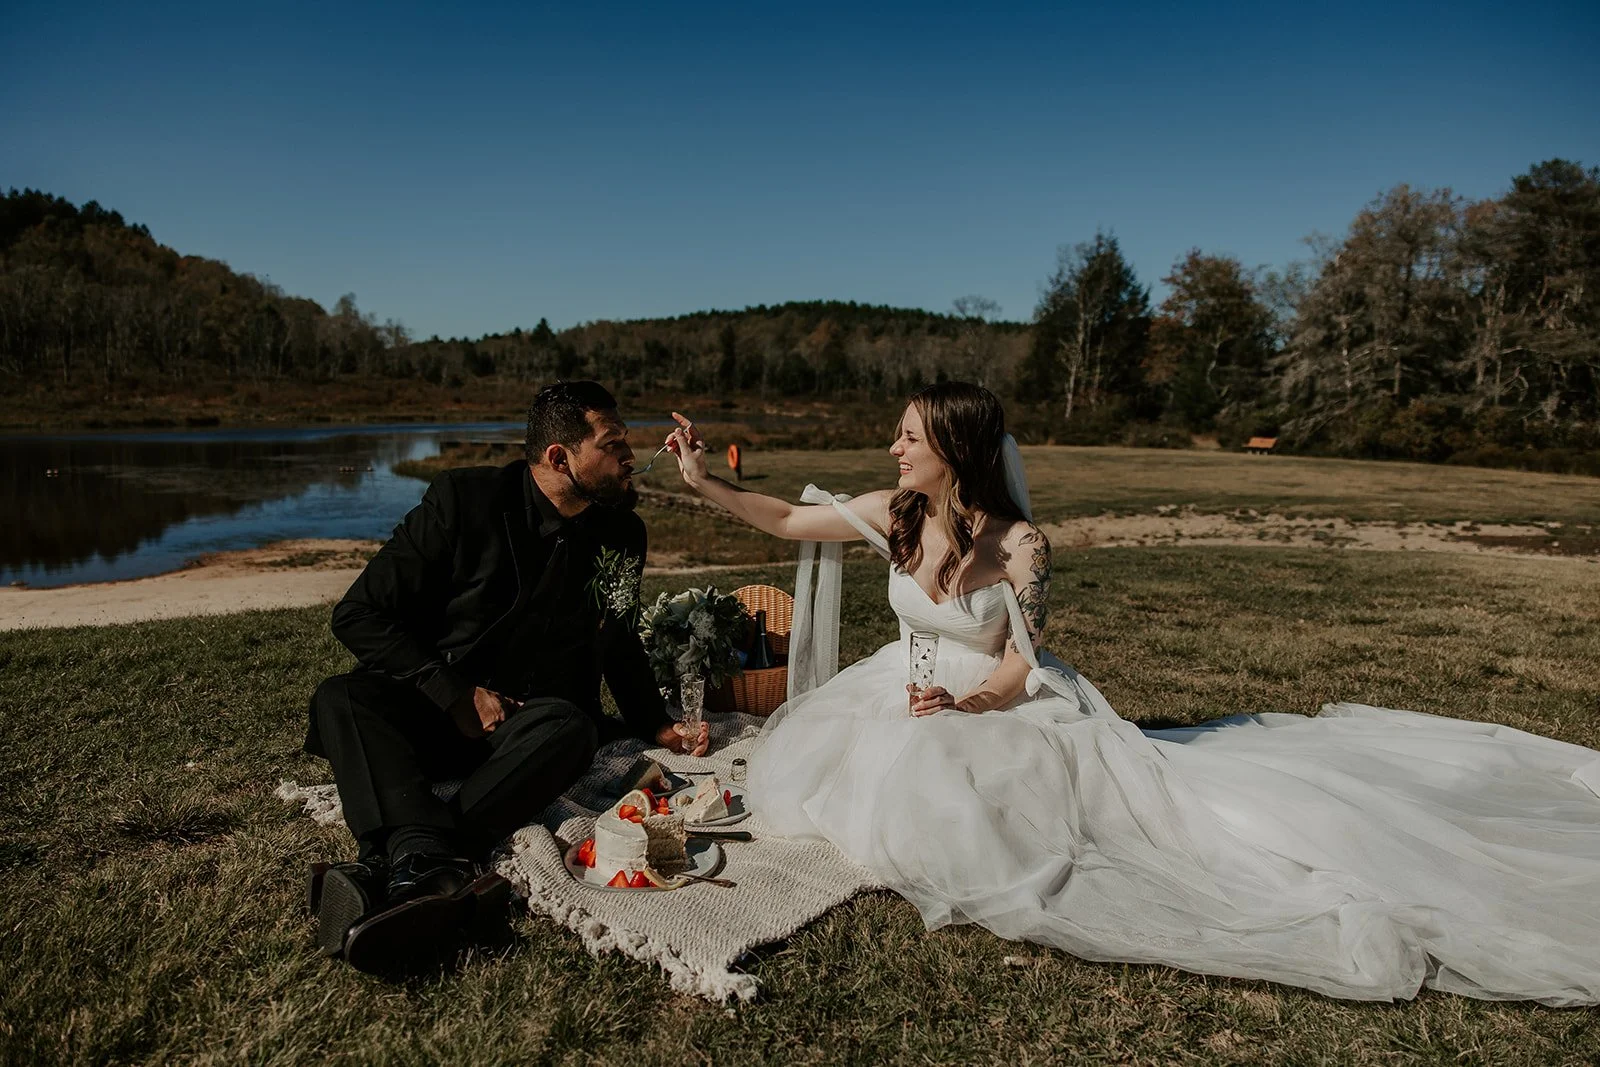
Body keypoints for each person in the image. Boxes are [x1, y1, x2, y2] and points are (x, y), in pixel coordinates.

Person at [664, 381, 1600, 1006]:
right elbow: (787, 515)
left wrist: (973, 707)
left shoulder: (1021, 545)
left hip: (996, 700)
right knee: (847, 788)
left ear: (953, 445)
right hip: (898, 688)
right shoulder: (893, 511)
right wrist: (704, 481)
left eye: (910, 434)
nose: (894, 445)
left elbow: (1023, 663)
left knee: (973, 818)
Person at [305, 381, 709, 973]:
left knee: (572, 725)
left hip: (535, 734)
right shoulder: (460, 499)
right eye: (612, 443)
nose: (629, 455)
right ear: (558, 458)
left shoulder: (624, 535)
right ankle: (435, 870)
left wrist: (656, 724)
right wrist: (452, 693)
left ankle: (403, 861)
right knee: (341, 696)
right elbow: (358, 615)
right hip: (438, 712)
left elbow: (619, 639)